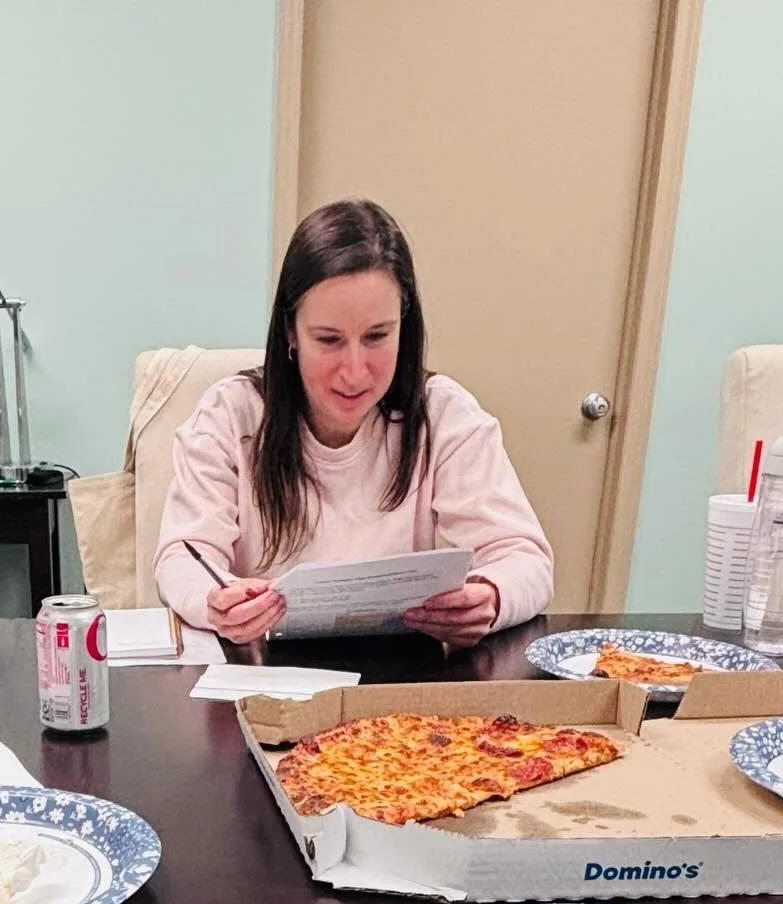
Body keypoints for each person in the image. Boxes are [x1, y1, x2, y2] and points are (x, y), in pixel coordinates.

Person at [154, 198, 553, 646]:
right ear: (290, 333)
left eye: (378, 337)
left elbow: (525, 557)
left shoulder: (443, 414)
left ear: (405, 327)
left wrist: (491, 596)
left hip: (399, 693)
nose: (355, 372)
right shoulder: (232, 415)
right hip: (260, 676)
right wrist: (215, 599)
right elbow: (181, 556)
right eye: (329, 340)